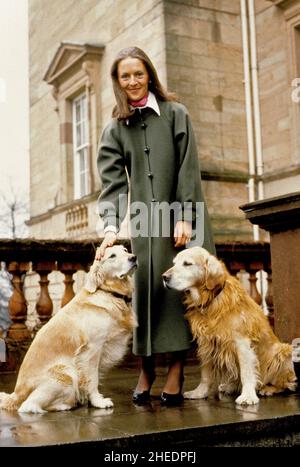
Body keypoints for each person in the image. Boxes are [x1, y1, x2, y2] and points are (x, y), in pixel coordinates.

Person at [96, 46, 215, 406]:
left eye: (138, 73)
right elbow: (113, 183)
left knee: (180, 293)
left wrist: (185, 216)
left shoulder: (177, 114)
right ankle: (146, 369)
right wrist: (111, 228)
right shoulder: (115, 128)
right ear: (117, 82)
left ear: (149, 75)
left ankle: (177, 369)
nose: (132, 81)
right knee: (146, 291)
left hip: (180, 217)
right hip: (145, 221)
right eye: (124, 76)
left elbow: (188, 169)